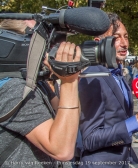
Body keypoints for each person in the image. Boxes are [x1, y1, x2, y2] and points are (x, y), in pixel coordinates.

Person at [78, 13, 138, 168]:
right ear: (98, 42)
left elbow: (117, 119)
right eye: (116, 37)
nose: (124, 43)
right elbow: (90, 139)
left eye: (126, 36)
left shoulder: (119, 74)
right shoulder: (93, 75)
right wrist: (136, 121)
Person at [0, 19, 81, 167]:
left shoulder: (36, 82)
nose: (48, 50)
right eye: (41, 42)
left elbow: (69, 120)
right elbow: (62, 150)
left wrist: (71, 80)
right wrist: (69, 82)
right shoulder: (14, 88)